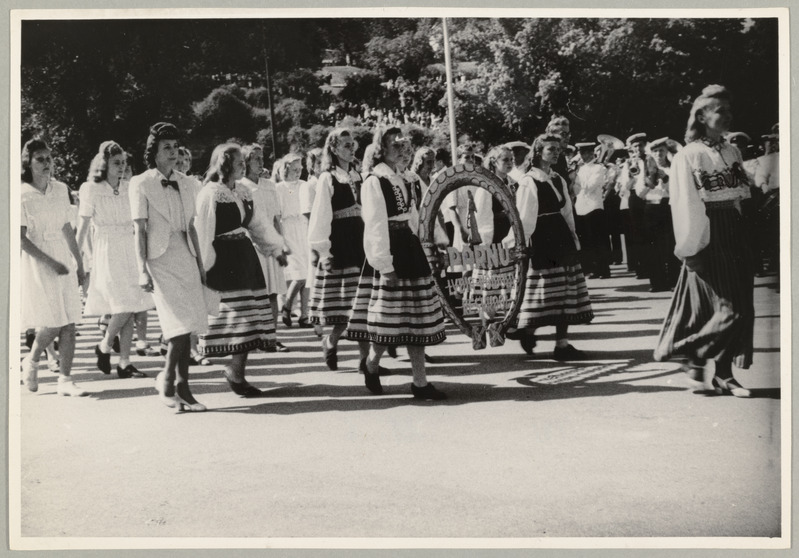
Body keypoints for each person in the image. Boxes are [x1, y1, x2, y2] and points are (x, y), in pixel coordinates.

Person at [654, 85, 755, 397]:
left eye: (729, 110)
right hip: (710, 231)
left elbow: (741, 193)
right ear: (701, 115)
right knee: (730, 310)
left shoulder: (732, 150)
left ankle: (725, 374)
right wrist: (690, 248)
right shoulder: (689, 154)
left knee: (745, 308)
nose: (727, 116)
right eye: (719, 111)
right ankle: (685, 350)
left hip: (736, 229)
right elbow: (685, 203)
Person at [346, 126, 447, 400]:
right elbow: (375, 224)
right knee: (389, 320)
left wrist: (434, 244)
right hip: (390, 252)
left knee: (416, 320)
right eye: (395, 145)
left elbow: (416, 215)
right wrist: (384, 264)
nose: (401, 150)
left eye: (404, 145)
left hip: (410, 249)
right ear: (381, 148)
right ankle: (371, 364)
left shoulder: (409, 178)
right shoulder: (375, 180)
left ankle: (420, 382)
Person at [195, 143, 285, 397]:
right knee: (235, 319)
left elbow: (258, 224)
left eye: (243, 163)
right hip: (223, 261)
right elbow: (203, 231)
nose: (242, 166)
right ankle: (233, 371)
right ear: (224, 164)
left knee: (249, 318)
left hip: (245, 258)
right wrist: (203, 268)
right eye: (238, 163)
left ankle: (236, 372)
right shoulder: (210, 193)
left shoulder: (244, 191)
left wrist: (275, 248)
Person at [130, 122, 208, 412]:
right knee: (177, 325)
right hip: (158, 259)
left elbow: (191, 227)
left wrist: (200, 264)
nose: (173, 152)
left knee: (188, 326)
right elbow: (139, 229)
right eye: (167, 148)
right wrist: (142, 269)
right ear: (154, 152)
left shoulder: (189, 182)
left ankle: (182, 387)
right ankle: (168, 384)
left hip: (185, 256)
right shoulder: (140, 182)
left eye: (175, 147)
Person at [505, 134, 593, 359]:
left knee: (565, 289)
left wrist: (574, 237)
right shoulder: (529, 181)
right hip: (542, 239)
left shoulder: (558, 178)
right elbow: (524, 217)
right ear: (538, 152)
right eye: (550, 149)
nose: (555, 153)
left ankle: (562, 344)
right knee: (542, 292)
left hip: (561, 237)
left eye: (557, 149)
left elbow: (567, 211)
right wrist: (517, 244)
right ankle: (528, 330)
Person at [76, 141, 153, 379]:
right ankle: (105, 346)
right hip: (107, 248)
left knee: (129, 305)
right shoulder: (91, 188)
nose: (121, 167)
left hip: (129, 246)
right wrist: (77, 260)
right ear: (104, 164)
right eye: (116, 163)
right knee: (123, 304)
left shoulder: (130, 186)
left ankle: (123, 361)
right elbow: (83, 226)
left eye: (123, 163)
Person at [20, 138, 87, 396]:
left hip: (62, 256)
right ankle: (33, 359)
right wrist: (51, 262)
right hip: (39, 261)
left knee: (69, 321)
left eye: (49, 158)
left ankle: (66, 380)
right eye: (40, 159)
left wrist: (78, 263)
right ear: (28, 162)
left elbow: (67, 228)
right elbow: (20, 239)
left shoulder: (61, 189)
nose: (47, 163)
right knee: (53, 321)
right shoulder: (21, 194)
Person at [307, 128, 366, 370]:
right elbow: (320, 215)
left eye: (352, 144)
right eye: (345, 145)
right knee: (346, 307)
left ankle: (365, 360)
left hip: (361, 241)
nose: (351, 149)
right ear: (333, 149)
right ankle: (330, 340)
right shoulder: (328, 178)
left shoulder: (359, 176)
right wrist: (323, 251)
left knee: (363, 304)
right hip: (341, 243)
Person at [238, 144, 290, 353]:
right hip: (252, 246)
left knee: (273, 293)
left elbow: (276, 218)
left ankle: (272, 338)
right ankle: (256, 338)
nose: (261, 162)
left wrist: (280, 244)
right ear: (246, 161)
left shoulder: (270, 185)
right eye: (256, 159)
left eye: (262, 158)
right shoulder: (240, 186)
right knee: (256, 295)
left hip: (271, 246)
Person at [470, 145, 517, 324]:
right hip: (494, 238)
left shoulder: (512, 183)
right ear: (494, 162)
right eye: (505, 160)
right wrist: (486, 246)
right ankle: (486, 322)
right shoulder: (487, 185)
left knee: (509, 282)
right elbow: (482, 216)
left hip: (510, 235)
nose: (509, 163)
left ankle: (507, 321)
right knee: (491, 283)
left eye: (511, 159)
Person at [275, 153, 311, 328]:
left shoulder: (304, 185)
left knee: (308, 274)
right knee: (299, 274)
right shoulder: (279, 188)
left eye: (300, 169)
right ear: (286, 169)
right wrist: (281, 239)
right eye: (294, 169)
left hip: (304, 229)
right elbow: (278, 215)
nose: (298, 172)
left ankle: (305, 315)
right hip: (288, 230)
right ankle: (287, 305)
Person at [643, 137, 680, 291]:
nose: (659, 154)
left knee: (670, 245)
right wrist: (650, 178)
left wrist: (665, 178)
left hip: (668, 206)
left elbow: (676, 190)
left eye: (662, 151)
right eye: (656, 151)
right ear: (652, 153)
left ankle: (673, 280)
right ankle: (657, 282)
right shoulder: (646, 169)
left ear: (666, 152)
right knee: (653, 247)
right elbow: (640, 192)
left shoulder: (673, 168)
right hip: (651, 207)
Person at [572, 141, 612, 279]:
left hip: (594, 206)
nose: (581, 156)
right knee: (587, 241)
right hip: (581, 206)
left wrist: (578, 181)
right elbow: (575, 189)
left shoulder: (598, 168)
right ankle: (593, 268)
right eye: (580, 153)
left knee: (599, 240)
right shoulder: (580, 169)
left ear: (591, 153)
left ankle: (604, 269)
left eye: (584, 152)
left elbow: (590, 186)